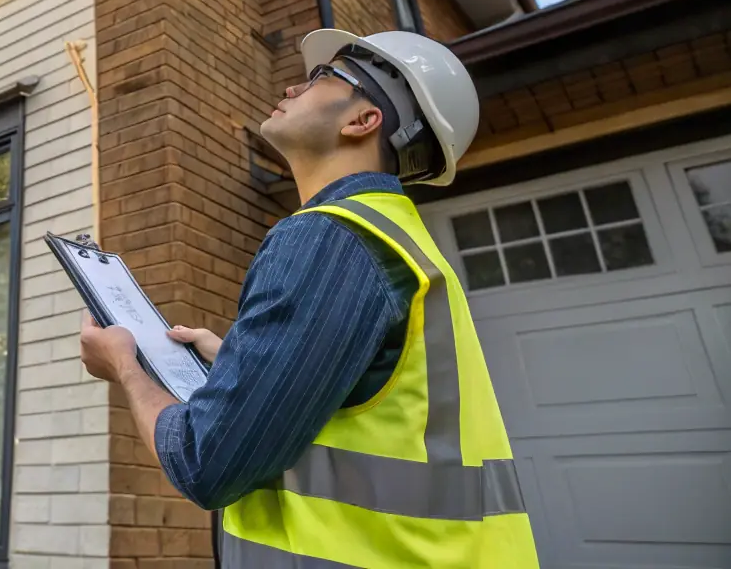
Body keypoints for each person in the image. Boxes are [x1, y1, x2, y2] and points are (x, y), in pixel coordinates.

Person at [80, 28, 539, 568]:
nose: (294, 87)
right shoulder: (390, 239)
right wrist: (242, 364)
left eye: (323, 77)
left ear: (362, 120)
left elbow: (207, 463)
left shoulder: (332, 237)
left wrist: (126, 368)